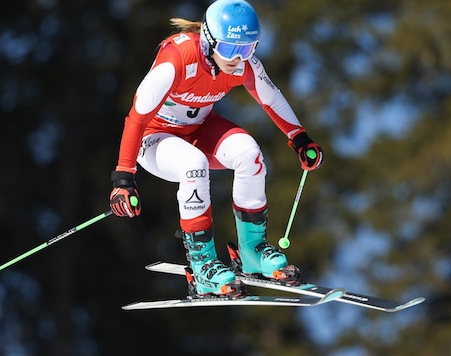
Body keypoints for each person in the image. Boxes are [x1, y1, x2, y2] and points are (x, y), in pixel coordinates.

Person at [109, 0, 324, 296]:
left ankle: (252, 252)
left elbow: (270, 98)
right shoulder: (177, 59)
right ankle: (203, 266)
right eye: (229, 49)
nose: (237, 58)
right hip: (154, 139)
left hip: (198, 130)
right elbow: (137, 117)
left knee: (250, 154)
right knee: (193, 163)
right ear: (209, 40)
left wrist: (299, 137)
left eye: (247, 49)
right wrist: (123, 177)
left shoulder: (242, 66)